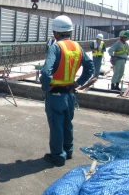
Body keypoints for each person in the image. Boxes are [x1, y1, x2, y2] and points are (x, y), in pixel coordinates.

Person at [40, 15, 94, 167]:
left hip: (55, 95)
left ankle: (58, 156)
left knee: (56, 126)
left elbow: (45, 73)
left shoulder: (56, 47)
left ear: (56, 32)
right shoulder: (77, 47)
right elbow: (90, 67)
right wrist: (79, 82)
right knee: (67, 124)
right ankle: (68, 151)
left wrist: (46, 87)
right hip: (70, 94)